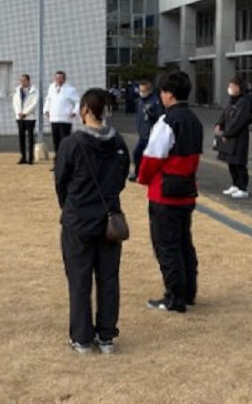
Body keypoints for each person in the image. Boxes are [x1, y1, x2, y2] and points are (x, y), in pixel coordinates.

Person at [55, 88, 130, 354]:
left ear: (85, 109)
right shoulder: (118, 142)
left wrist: (72, 206)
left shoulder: (71, 144)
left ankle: (82, 337)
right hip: (109, 220)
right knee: (108, 278)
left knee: (79, 279)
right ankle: (106, 335)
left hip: (78, 220)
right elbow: (121, 178)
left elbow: (61, 182)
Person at [138, 72, 203, 313]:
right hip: (186, 189)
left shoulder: (166, 122)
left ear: (168, 94)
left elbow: (152, 158)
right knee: (184, 243)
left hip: (165, 192)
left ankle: (174, 297)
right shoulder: (194, 120)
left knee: (167, 246)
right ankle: (188, 292)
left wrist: (143, 179)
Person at [215, 77, 252, 199]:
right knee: (231, 161)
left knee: (239, 162)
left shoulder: (245, 101)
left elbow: (240, 120)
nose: (230, 88)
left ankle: (243, 188)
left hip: (239, 136)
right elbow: (224, 114)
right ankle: (235, 184)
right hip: (229, 135)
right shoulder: (232, 100)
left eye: (232, 86)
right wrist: (219, 124)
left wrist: (227, 133)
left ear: (239, 87)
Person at [129, 79, 163, 182]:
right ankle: (138, 173)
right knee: (138, 154)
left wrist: (152, 114)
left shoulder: (155, 101)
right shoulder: (140, 100)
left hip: (151, 134)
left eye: (143, 91)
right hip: (143, 133)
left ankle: (150, 175)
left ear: (149, 91)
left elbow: (160, 117)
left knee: (144, 155)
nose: (141, 93)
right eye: (140, 90)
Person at [44, 71, 79, 169]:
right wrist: (46, 110)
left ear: (64, 79)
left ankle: (67, 164)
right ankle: (57, 164)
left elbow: (77, 102)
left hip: (65, 119)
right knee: (56, 142)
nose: (58, 80)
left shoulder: (70, 89)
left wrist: (74, 111)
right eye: (57, 78)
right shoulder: (51, 88)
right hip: (54, 118)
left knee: (65, 142)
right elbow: (48, 100)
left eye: (60, 78)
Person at [12, 74, 38, 164]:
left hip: (30, 118)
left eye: (24, 81)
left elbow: (34, 104)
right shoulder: (17, 91)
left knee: (30, 139)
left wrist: (25, 113)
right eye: (21, 81)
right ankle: (23, 157)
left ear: (28, 81)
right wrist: (18, 113)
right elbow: (15, 103)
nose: (22, 82)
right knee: (21, 138)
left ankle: (30, 158)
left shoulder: (34, 91)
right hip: (20, 118)